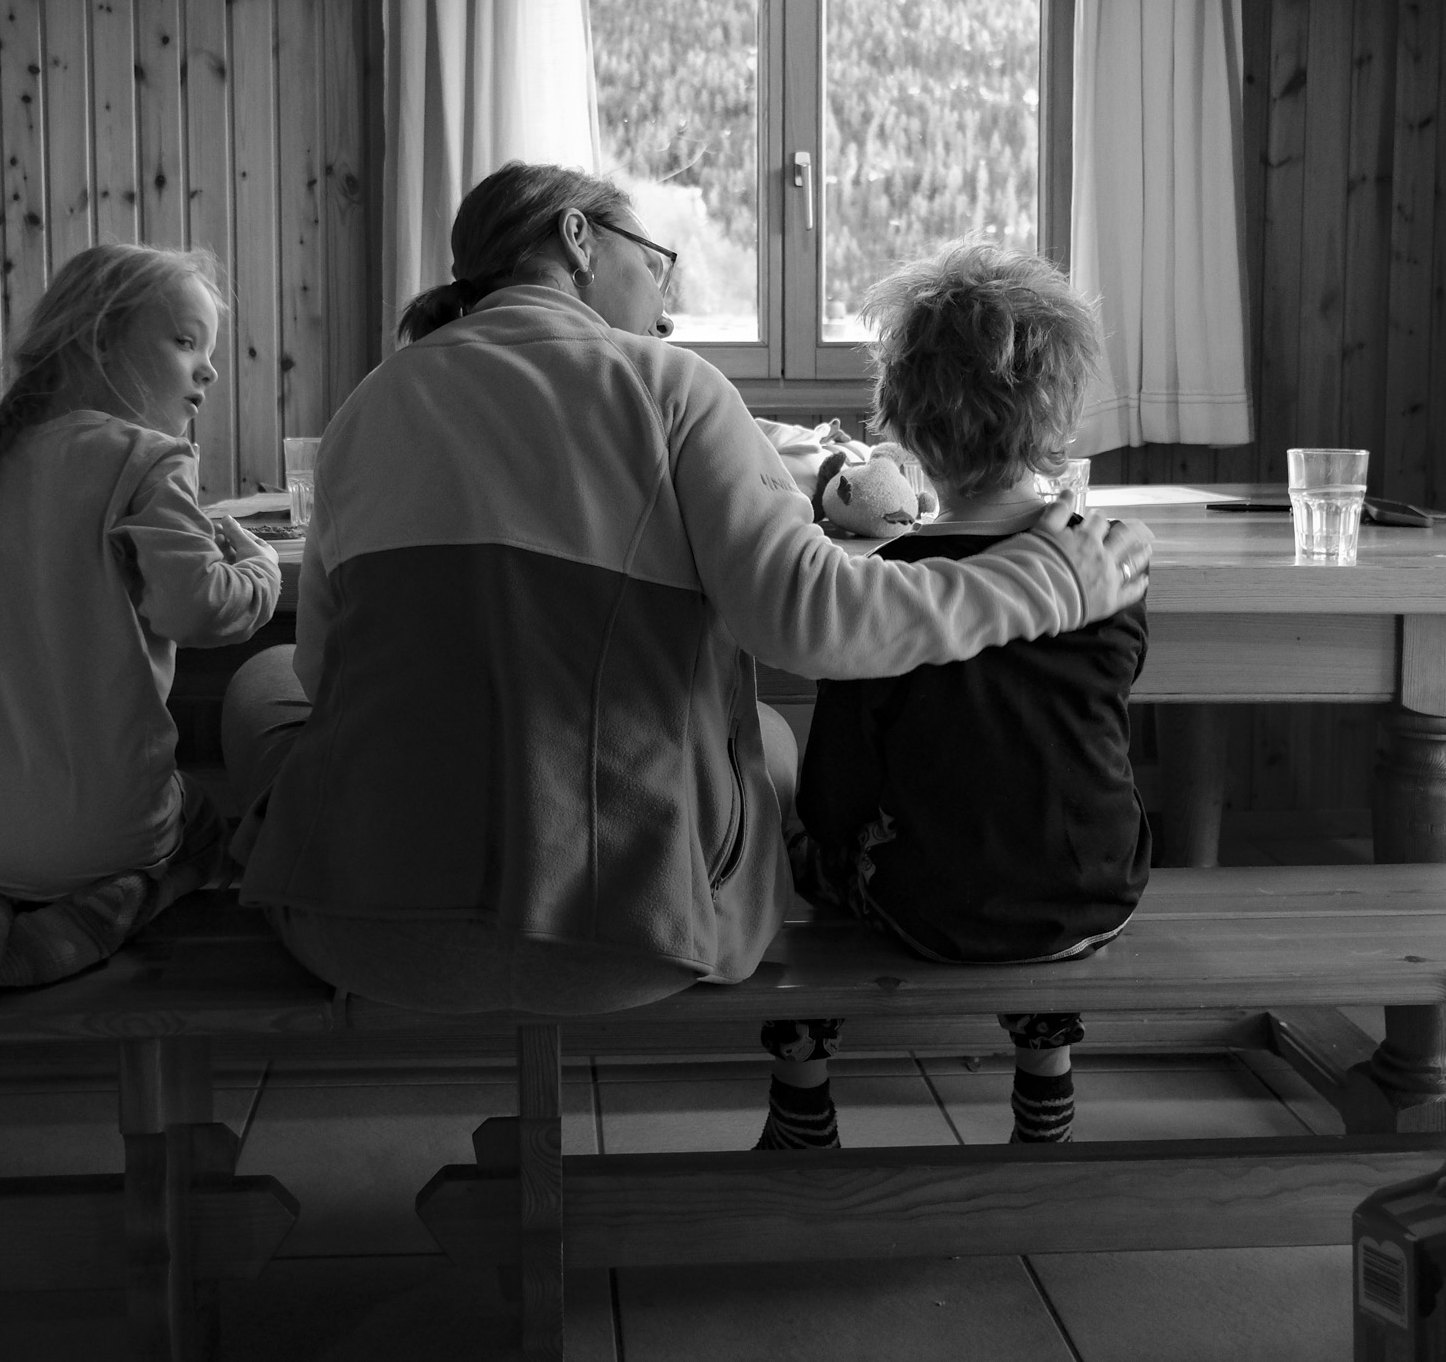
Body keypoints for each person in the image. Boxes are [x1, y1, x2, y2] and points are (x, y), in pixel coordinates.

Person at [222, 163, 1154, 1024]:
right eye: (657, 263)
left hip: (365, 937)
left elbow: (326, 668)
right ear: (579, 239)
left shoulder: (368, 406)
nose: (666, 304)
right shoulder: (672, 388)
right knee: (764, 733)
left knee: (266, 685)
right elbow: (809, 620)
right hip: (633, 941)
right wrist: (1057, 576)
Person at [769, 243, 1149, 1150]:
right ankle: (1045, 1069)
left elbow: (837, 787)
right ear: (1059, 411)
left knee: (785, 825)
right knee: (1026, 800)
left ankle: (802, 1084)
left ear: (906, 423)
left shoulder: (891, 588)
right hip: (1097, 891)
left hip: (930, 911)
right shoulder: (1109, 568)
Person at [0, 243, 281, 995]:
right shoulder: (149, 459)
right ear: (99, 340)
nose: (207, 368)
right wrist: (260, 568)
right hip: (107, 827)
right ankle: (103, 910)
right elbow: (199, 607)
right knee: (203, 826)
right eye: (185, 341)